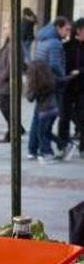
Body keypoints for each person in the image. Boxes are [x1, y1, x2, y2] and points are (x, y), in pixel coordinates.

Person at [33, 17, 75, 158]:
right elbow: (55, 65)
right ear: (58, 28)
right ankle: (50, 150)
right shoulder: (55, 43)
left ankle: (39, 150)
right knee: (46, 121)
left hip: (41, 84)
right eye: (66, 29)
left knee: (42, 120)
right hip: (52, 85)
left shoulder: (43, 40)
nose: (68, 33)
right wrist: (64, 78)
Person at [27, 60, 80, 164]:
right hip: (54, 110)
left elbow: (30, 98)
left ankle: (47, 153)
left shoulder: (36, 84)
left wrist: (29, 86)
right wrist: (72, 76)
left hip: (44, 112)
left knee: (41, 133)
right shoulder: (51, 79)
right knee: (45, 132)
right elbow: (63, 80)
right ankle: (64, 144)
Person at [0, 23, 26, 144]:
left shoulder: (14, 45)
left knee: (6, 108)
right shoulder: (8, 43)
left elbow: (11, 65)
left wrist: (2, 78)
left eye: (6, 28)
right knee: (7, 108)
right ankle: (14, 131)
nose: (3, 30)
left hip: (8, 83)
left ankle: (15, 130)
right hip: (5, 83)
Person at [59, 17, 84, 156]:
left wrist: (80, 71)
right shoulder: (66, 46)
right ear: (79, 30)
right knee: (64, 117)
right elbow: (61, 63)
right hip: (67, 86)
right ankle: (63, 144)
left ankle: (83, 147)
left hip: (82, 87)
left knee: (82, 116)